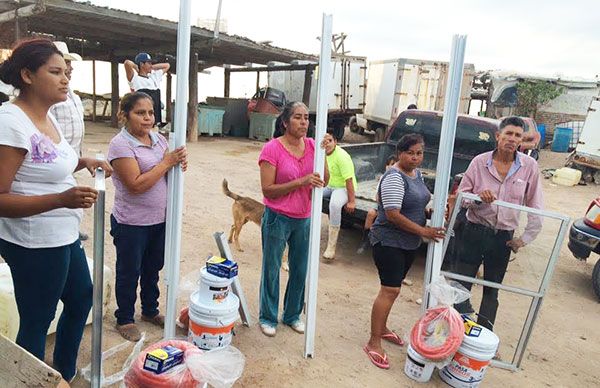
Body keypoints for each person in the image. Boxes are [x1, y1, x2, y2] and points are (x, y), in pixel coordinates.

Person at [0, 38, 112, 382]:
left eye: (67, 72)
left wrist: (83, 161)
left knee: (81, 299)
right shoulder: (11, 121)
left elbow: (49, 160)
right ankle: (30, 380)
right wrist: (60, 200)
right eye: (55, 72)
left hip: (62, 234)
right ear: (27, 75)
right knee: (37, 318)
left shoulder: (48, 117)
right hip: (33, 241)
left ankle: (60, 372)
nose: (66, 79)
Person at [107, 92, 187, 341]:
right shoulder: (121, 144)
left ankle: (150, 311)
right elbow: (136, 185)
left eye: (151, 112)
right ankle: (125, 318)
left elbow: (168, 172)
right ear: (125, 115)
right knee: (129, 271)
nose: (147, 118)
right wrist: (166, 163)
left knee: (153, 268)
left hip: (160, 219)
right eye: (140, 113)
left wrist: (179, 164)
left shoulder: (159, 139)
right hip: (132, 222)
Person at [452, 116, 543, 331]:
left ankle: (483, 334)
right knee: (462, 283)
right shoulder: (479, 162)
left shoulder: (529, 166)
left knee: (492, 289)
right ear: (498, 136)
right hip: (473, 230)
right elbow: (461, 196)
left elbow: (535, 204)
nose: (512, 139)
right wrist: (477, 197)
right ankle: (455, 331)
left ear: (521, 140)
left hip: (503, 237)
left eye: (517, 135)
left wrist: (524, 239)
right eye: (508, 134)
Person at [364, 134, 444, 369]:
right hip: (389, 241)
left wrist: (428, 215)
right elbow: (392, 214)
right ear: (400, 153)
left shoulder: (416, 174)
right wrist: (424, 230)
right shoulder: (394, 178)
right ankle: (373, 341)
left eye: (419, 153)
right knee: (389, 290)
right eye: (411, 153)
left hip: (407, 243)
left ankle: (383, 328)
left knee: (393, 290)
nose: (416, 157)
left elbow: (416, 203)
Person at [258, 101, 328, 337]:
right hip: (277, 217)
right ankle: (268, 316)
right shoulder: (272, 149)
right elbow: (268, 190)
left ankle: (292, 315)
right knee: (272, 267)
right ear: (285, 122)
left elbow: (323, 180)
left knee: (300, 269)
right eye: (298, 117)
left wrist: (325, 154)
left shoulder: (312, 146)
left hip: (303, 218)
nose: (304, 122)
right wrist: (301, 181)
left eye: (307, 118)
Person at [49, 41, 89, 241]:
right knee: (57, 192)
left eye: (69, 65)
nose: (69, 69)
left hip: (72, 153)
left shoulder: (72, 94)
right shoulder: (49, 97)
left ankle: (72, 228)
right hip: (54, 155)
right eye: (61, 66)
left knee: (70, 189)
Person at [321, 131, 357, 260]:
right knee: (311, 196)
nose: (327, 144)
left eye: (330, 140)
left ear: (335, 142)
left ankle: (331, 247)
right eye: (325, 141)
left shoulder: (342, 156)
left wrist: (351, 201)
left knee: (335, 204)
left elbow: (349, 180)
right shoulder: (320, 153)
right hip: (328, 185)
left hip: (342, 187)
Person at [357, 154, 398, 254]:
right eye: (390, 165)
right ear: (386, 166)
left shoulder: (399, 179)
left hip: (395, 206)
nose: (392, 167)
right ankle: (365, 240)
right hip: (382, 205)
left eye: (395, 165)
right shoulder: (383, 178)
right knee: (371, 213)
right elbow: (377, 195)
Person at [124, 53, 170, 126]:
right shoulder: (135, 78)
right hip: (142, 120)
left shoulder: (154, 77)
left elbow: (167, 65)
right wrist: (136, 67)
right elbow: (127, 63)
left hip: (154, 120)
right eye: (149, 63)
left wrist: (152, 67)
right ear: (142, 64)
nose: (151, 64)